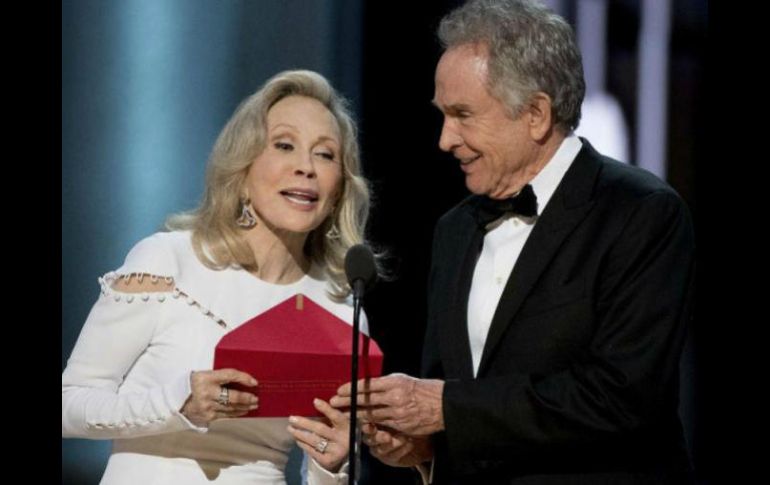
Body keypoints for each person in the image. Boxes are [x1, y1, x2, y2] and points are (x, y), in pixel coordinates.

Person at [331, 1, 695, 483]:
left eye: (463, 115)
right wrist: (423, 447)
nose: (444, 140)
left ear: (536, 114)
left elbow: (622, 395)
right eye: (443, 116)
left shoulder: (640, 213)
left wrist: (444, 408)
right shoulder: (455, 230)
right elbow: (456, 403)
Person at [62, 69, 373, 484]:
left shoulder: (340, 310)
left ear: (339, 189)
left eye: (325, 154)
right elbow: (69, 404)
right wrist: (178, 404)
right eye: (284, 145)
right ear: (242, 170)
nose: (306, 167)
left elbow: (321, 469)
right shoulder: (167, 261)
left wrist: (331, 465)